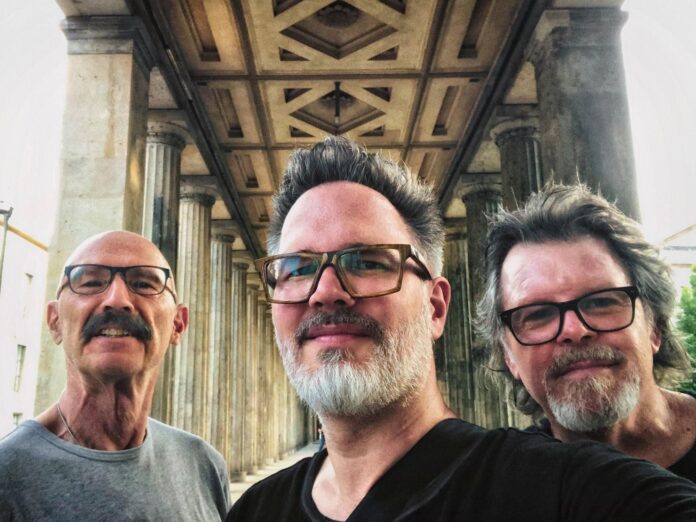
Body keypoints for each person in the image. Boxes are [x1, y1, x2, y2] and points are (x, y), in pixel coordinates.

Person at [227, 136, 696, 521]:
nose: (326, 291)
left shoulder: (567, 487)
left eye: (368, 261)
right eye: (298, 267)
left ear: (435, 308)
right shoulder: (253, 510)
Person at [0, 231, 230, 520]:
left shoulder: (203, 464)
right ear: (55, 321)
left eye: (144, 284)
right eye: (90, 282)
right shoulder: (7, 477)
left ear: (178, 324)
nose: (117, 299)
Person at [476, 183, 696, 482]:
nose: (575, 330)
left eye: (601, 302)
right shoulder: (505, 489)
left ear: (654, 327)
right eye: (538, 315)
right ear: (509, 358)